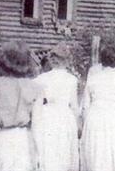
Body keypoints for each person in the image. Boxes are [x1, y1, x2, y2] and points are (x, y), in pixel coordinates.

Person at [0, 42, 41, 171]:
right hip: (24, 139)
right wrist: (37, 151)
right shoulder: (36, 88)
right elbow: (37, 124)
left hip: (3, 137)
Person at [81, 43, 115, 171]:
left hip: (95, 117)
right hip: (114, 117)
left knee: (96, 152)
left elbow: (85, 106)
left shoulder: (93, 78)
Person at [32, 43, 79, 171]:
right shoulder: (72, 79)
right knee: (64, 150)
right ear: (66, 61)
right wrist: (77, 125)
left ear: (52, 61)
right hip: (65, 116)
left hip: (47, 116)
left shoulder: (41, 79)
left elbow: (36, 105)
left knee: (49, 151)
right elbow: (74, 106)